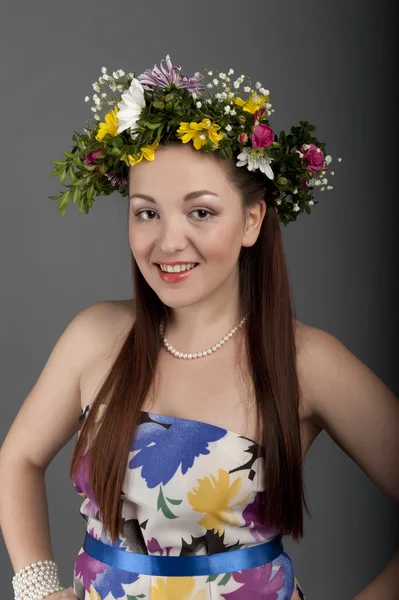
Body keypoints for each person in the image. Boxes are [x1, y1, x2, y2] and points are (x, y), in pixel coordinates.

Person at [0, 55, 398, 600]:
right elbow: (16, 459)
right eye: (146, 212)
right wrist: (38, 589)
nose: (168, 242)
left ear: (252, 220)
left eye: (201, 212)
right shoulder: (94, 336)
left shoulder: (307, 360)